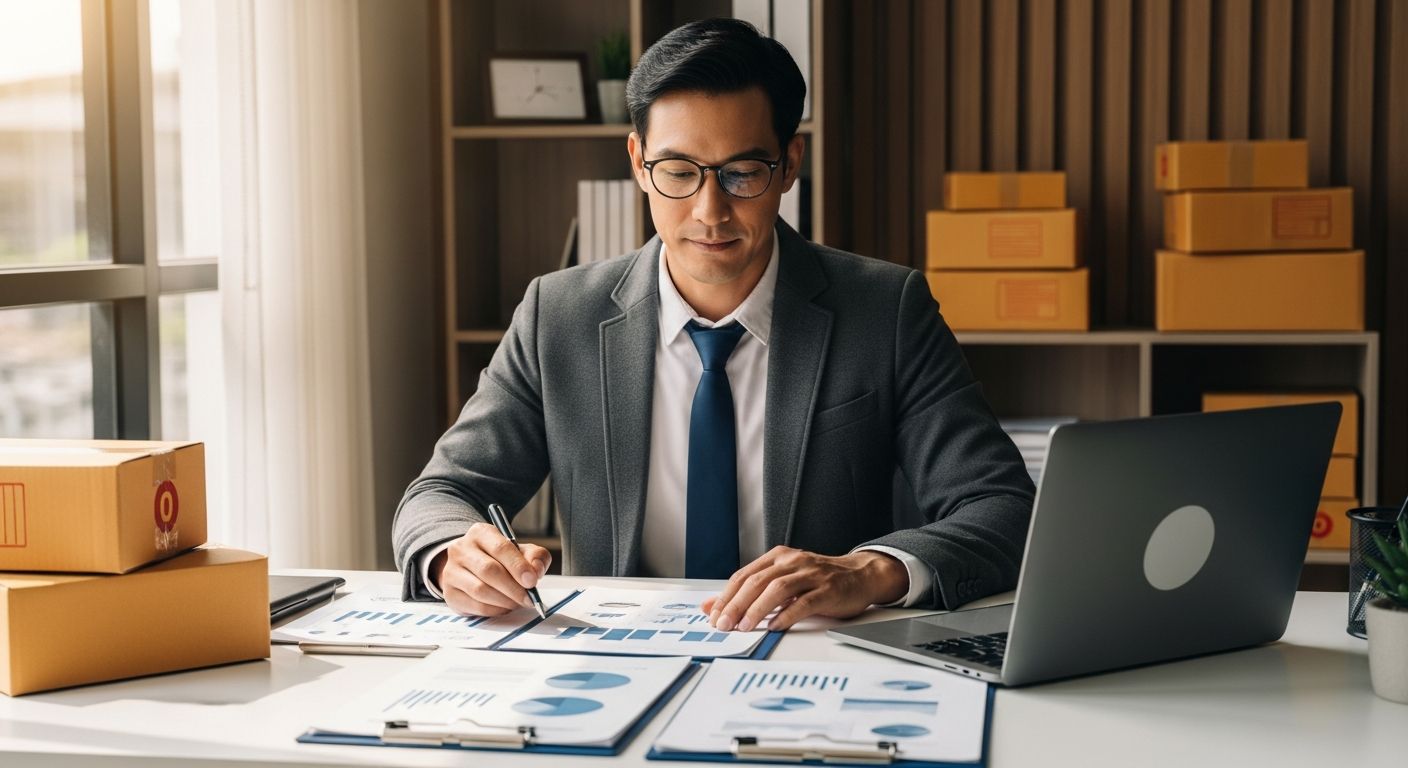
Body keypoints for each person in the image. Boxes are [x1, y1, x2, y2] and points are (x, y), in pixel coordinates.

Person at [393, 18, 1034, 632]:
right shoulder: (558, 315)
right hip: (618, 661)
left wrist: (870, 571)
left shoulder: (885, 309)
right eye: (678, 172)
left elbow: (1002, 507)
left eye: (742, 173)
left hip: (813, 659)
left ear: (789, 163)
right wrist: (454, 553)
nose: (709, 211)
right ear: (637, 160)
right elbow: (441, 493)